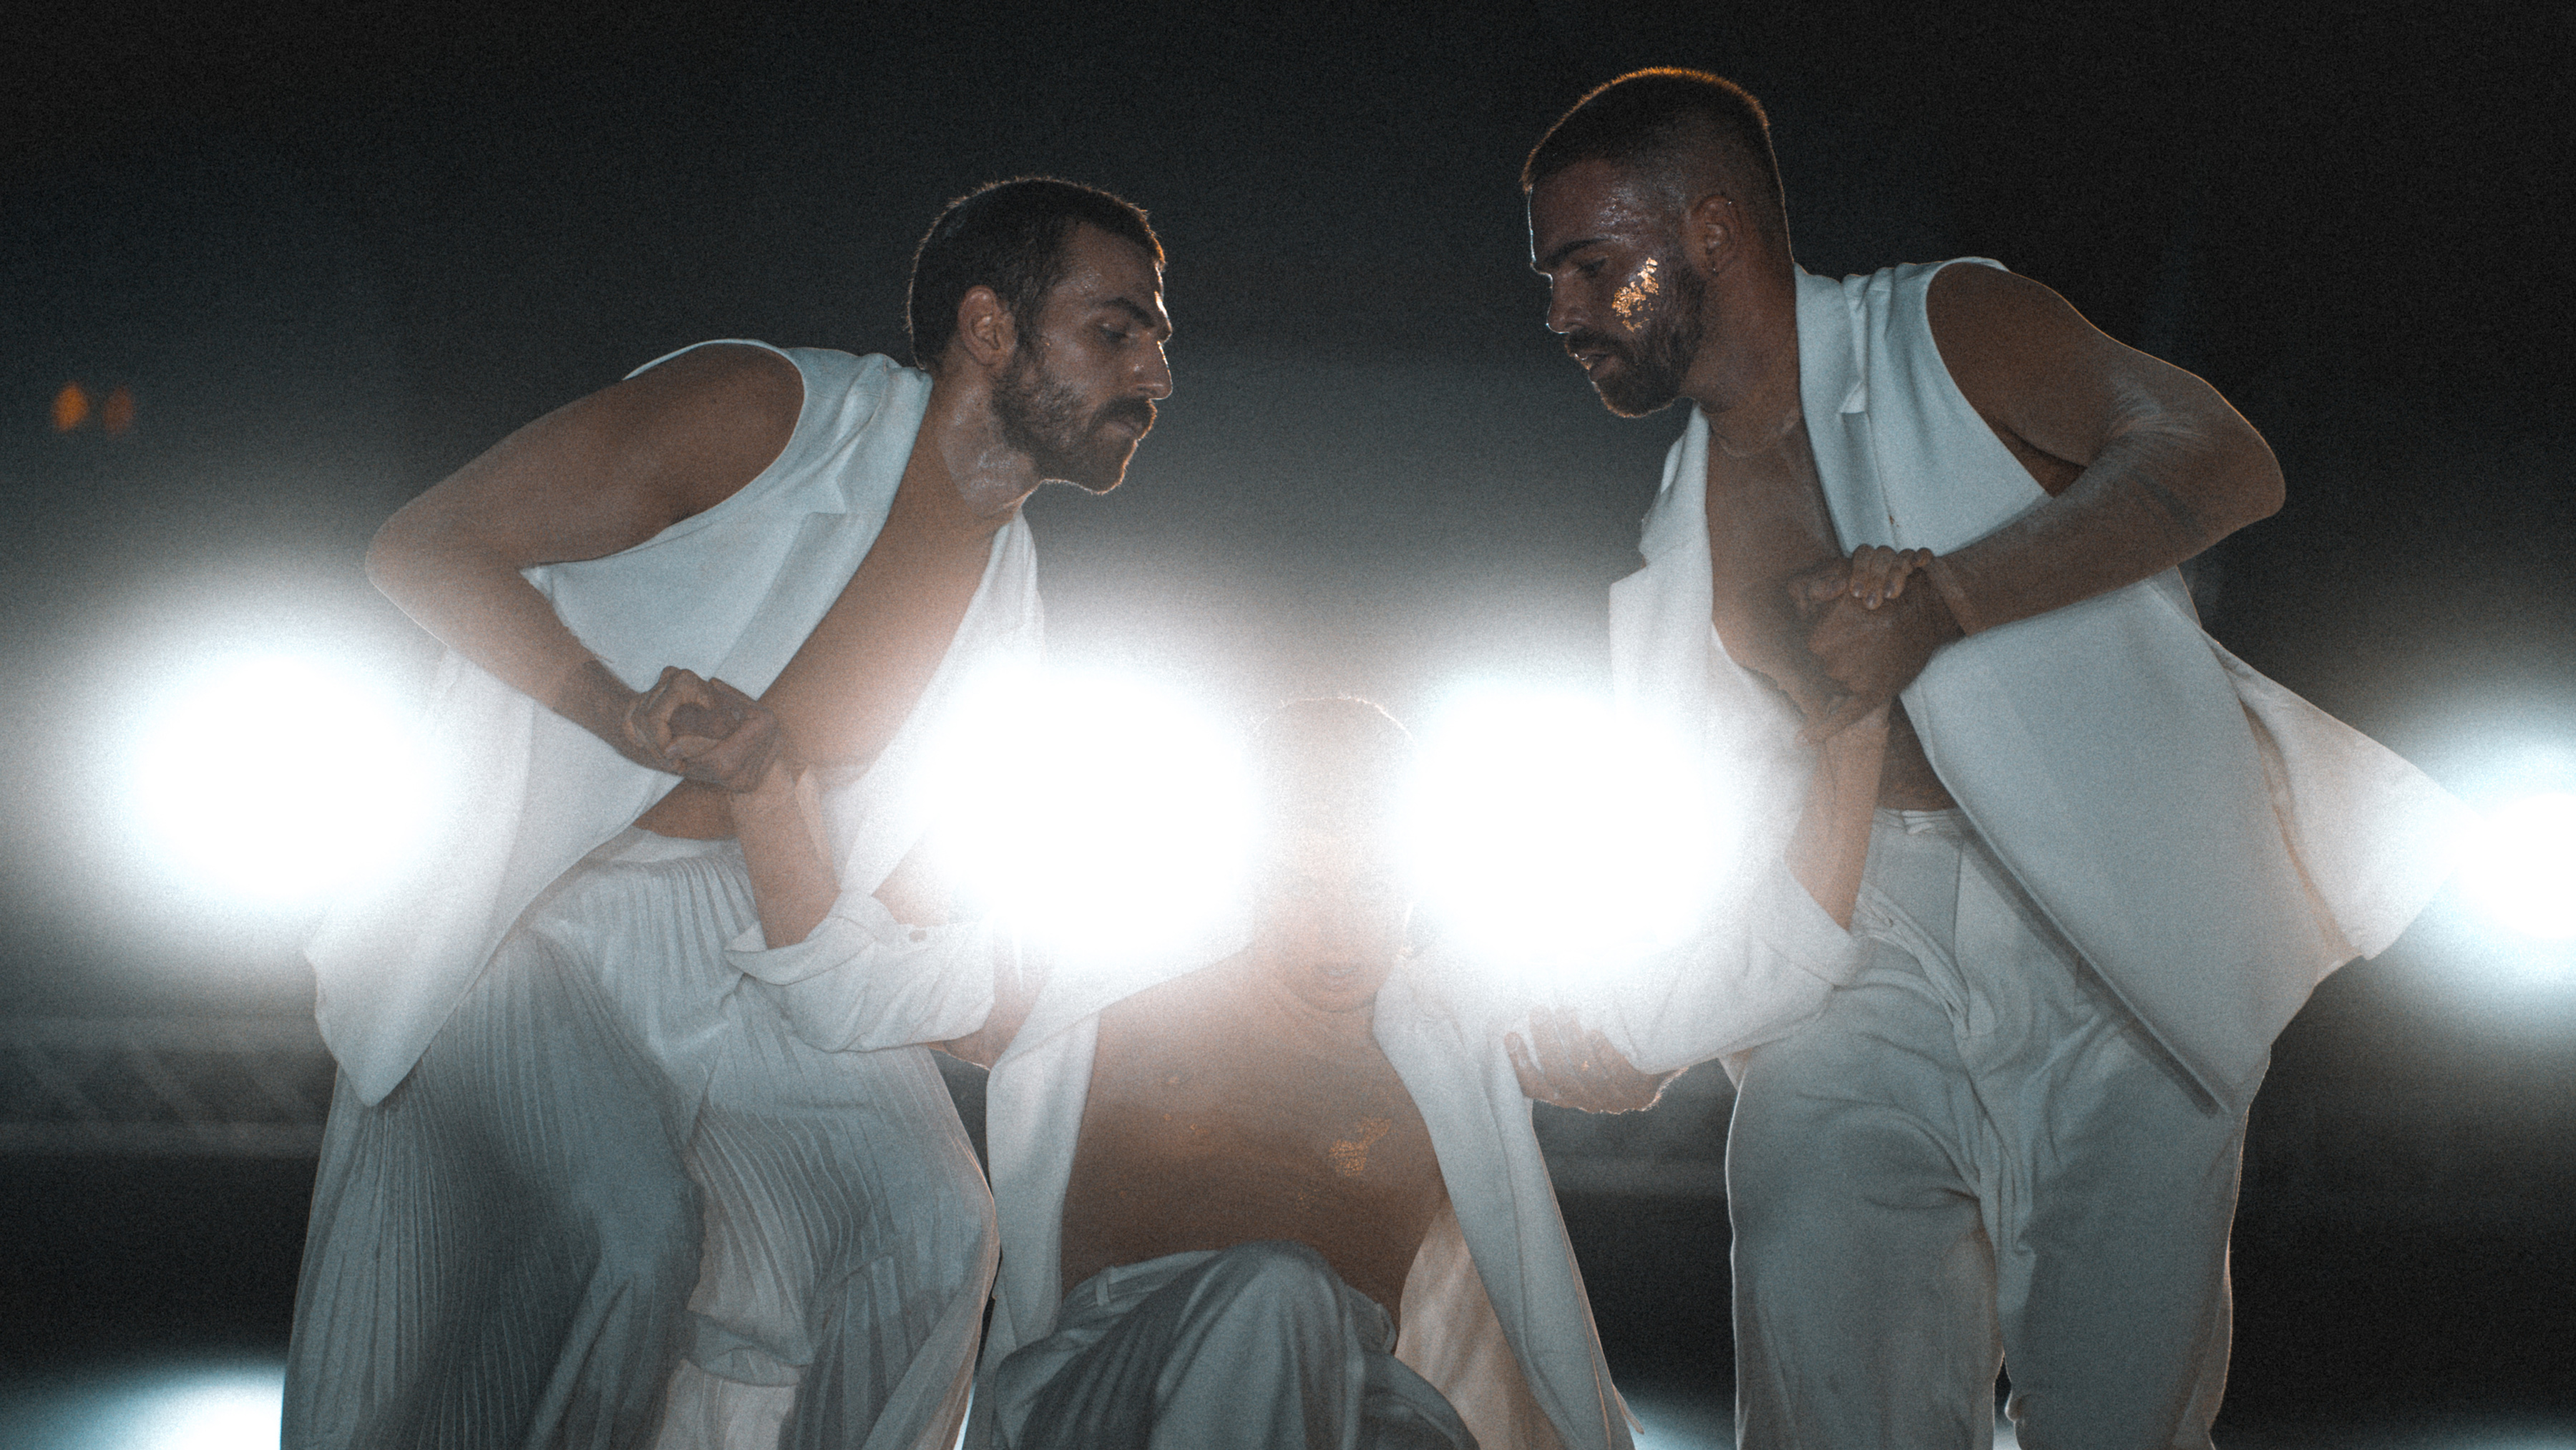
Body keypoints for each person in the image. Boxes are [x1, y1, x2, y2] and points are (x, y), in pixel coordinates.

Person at [1521, 69, 2470, 1449]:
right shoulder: (1681, 514)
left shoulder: (1946, 326)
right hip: (1863, 949)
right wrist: (1649, 1020)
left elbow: (2223, 457)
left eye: (1591, 265)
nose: (1562, 310)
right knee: (1824, 1361)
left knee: (2114, 1416)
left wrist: (1948, 600)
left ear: (1712, 230)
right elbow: (1740, 807)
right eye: (1552, 276)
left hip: (2111, 920)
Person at [283, 177, 1174, 1450]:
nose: (1154, 373)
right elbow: (422, 545)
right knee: (631, 1230)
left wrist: (986, 992)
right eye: (1116, 331)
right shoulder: (769, 414)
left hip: (752, 943)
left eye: (1157, 342)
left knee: (936, 1226)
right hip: (540, 915)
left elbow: (894, 892)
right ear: (990, 328)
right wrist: (618, 712)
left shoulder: (1008, 589)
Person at [712, 689, 1902, 1450]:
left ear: (1419, 882)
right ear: (1241, 869)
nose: (1338, 929)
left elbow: (1761, 972)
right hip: (1101, 1386)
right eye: (1300, 886)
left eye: (1371, 887)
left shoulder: (1461, 1016)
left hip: (1361, 1395)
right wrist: (762, 783)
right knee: (1273, 1289)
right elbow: (843, 987)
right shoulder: (1104, 971)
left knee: (1357, 1368)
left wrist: (1854, 733)